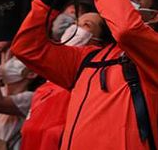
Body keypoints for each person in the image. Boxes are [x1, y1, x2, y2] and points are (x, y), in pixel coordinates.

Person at [11, 0, 158, 149]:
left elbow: (126, 29)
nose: (122, 2)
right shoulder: (88, 58)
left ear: (154, 15)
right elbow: (27, 48)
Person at [21, 11, 110, 150]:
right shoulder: (46, 86)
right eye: (75, 23)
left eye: (86, 25)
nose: (75, 28)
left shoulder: (88, 85)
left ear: (100, 42)